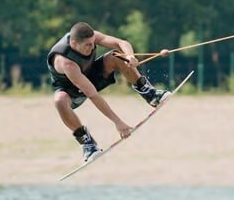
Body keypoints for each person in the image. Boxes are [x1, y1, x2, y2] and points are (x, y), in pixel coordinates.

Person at [47, 21, 170, 161]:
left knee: (116, 56)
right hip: (71, 91)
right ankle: (88, 144)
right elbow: (92, 94)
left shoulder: (91, 38)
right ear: (74, 44)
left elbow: (121, 43)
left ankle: (150, 95)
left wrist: (129, 56)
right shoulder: (66, 62)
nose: (92, 47)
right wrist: (118, 122)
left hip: (90, 75)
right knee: (59, 100)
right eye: (88, 45)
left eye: (93, 43)